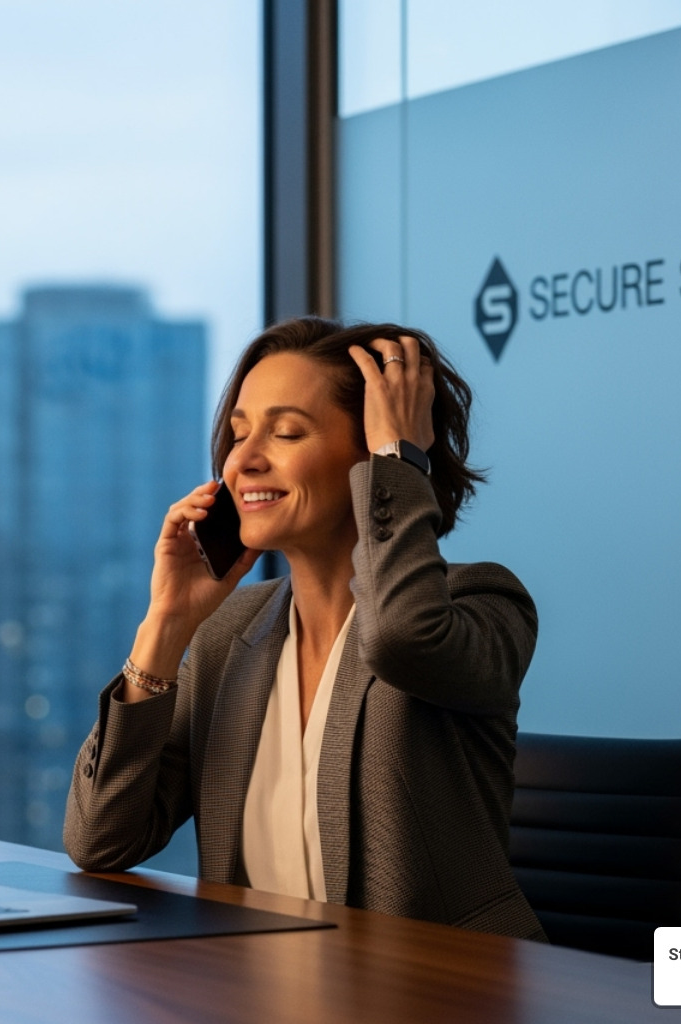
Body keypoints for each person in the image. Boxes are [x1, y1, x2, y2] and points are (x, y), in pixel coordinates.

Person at [63, 316, 545, 940]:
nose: (246, 460)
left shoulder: (479, 602)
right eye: (238, 435)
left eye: (287, 432)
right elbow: (99, 839)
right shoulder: (226, 635)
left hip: (441, 996)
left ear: (370, 454)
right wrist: (166, 625)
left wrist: (402, 458)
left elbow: (398, 636)